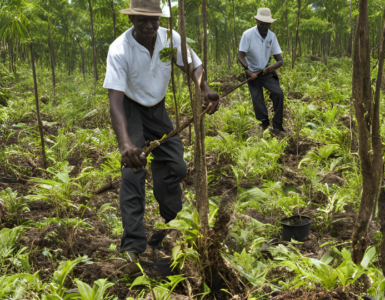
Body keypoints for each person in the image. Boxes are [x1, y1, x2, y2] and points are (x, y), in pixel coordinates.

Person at [103, 0, 220, 274]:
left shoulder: (170, 37)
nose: (149, 26)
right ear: (131, 19)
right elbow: (115, 101)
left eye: (154, 19)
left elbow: (193, 64)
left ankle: (173, 224)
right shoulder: (119, 49)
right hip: (131, 108)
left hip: (157, 108)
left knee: (176, 166)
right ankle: (133, 247)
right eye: (142, 20)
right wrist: (126, 144)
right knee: (133, 172)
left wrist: (205, 88)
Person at [238, 8, 285, 134]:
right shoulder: (247, 34)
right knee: (257, 98)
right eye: (262, 24)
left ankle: (277, 126)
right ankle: (264, 126)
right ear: (257, 21)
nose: (264, 27)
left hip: (265, 72)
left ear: (270, 23)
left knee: (278, 93)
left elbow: (280, 60)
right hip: (252, 72)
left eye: (267, 24)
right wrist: (248, 71)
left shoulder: (272, 36)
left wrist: (271, 67)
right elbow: (240, 55)